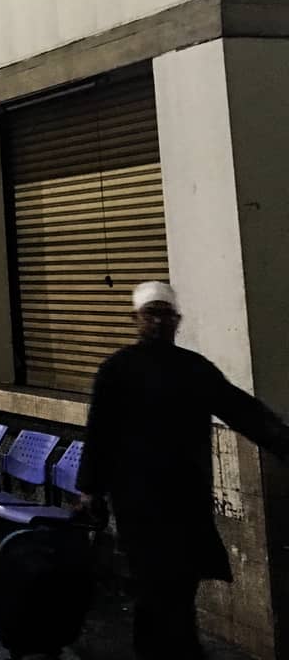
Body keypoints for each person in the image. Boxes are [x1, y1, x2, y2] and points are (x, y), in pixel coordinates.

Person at [79, 282, 289, 660]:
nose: (158, 321)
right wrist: (90, 488)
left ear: (176, 320)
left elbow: (242, 410)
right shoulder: (117, 370)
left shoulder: (194, 369)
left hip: (184, 500)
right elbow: (99, 431)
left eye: (165, 314)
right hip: (138, 502)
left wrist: (283, 442)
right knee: (158, 589)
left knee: (172, 589)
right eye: (151, 314)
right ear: (136, 320)